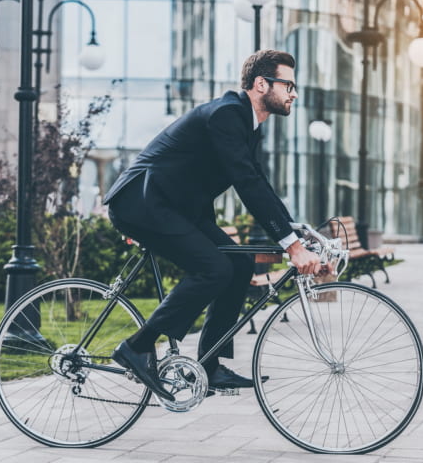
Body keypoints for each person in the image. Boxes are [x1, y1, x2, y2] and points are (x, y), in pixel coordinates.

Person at [103, 50, 325, 402]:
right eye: (289, 85)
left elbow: (256, 182)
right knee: (214, 269)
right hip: (142, 204)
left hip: (172, 207)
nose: (294, 93)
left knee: (237, 263)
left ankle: (208, 364)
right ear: (261, 84)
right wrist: (292, 247)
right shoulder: (227, 114)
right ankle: (137, 346)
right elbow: (246, 183)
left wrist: (293, 231)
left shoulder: (245, 123)